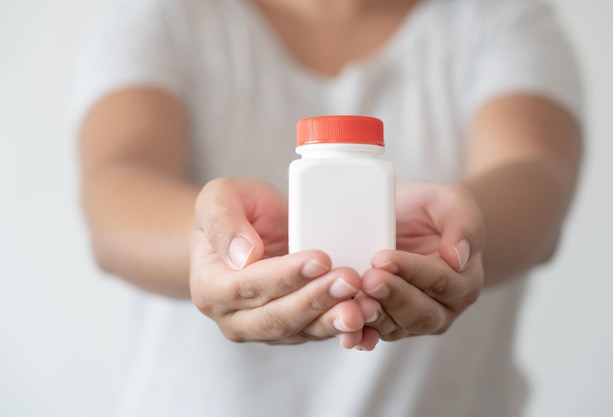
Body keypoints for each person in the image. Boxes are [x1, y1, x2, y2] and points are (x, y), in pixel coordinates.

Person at [74, 0, 583, 415]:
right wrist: (218, 246)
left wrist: (463, 230)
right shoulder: (162, 15)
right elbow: (116, 190)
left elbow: (535, 172)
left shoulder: (503, 17)